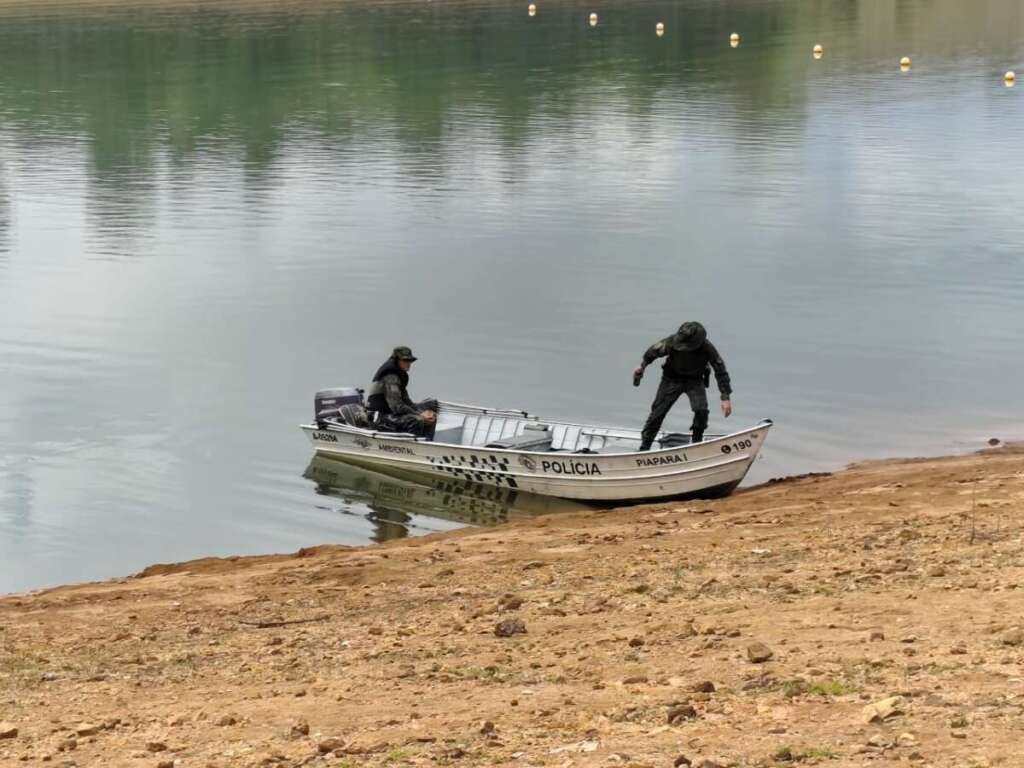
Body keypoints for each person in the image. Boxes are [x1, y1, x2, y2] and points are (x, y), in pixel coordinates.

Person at [633, 322, 732, 450]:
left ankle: (697, 443)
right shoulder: (671, 342)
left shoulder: (707, 347)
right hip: (671, 379)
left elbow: (720, 370)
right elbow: (653, 352)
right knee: (657, 413)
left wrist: (725, 397)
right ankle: (645, 447)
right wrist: (642, 367)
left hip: (695, 381)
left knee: (701, 411)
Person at [366, 346, 438, 438]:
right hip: (380, 417)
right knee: (416, 420)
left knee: (431, 411)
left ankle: (427, 443)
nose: (408, 364)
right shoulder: (391, 377)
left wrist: (423, 413)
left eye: (410, 361)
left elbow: (407, 401)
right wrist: (420, 414)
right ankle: (410, 449)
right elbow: (397, 407)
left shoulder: (399, 375)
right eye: (405, 360)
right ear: (396, 360)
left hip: (390, 413)